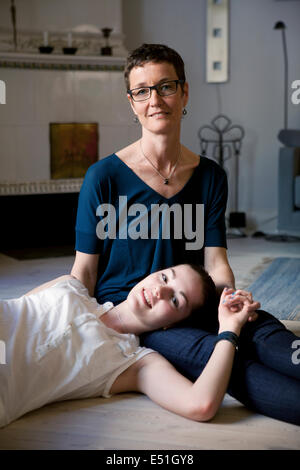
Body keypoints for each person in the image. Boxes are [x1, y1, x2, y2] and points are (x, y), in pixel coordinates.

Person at [71, 43, 300, 426]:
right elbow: (84, 272)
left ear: (184, 92)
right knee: (227, 357)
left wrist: (230, 302)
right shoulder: (103, 177)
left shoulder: (210, 176)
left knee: (263, 330)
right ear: (132, 102)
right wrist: (80, 327)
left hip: (193, 299)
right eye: (142, 91)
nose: (155, 99)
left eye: (165, 86)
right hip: (140, 315)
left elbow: (216, 262)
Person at [0, 264, 259, 428]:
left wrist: (229, 329)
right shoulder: (69, 285)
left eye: (176, 300)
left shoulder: (136, 363)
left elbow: (200, 404)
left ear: (174, 324)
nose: (159, 291)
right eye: (164, 277)